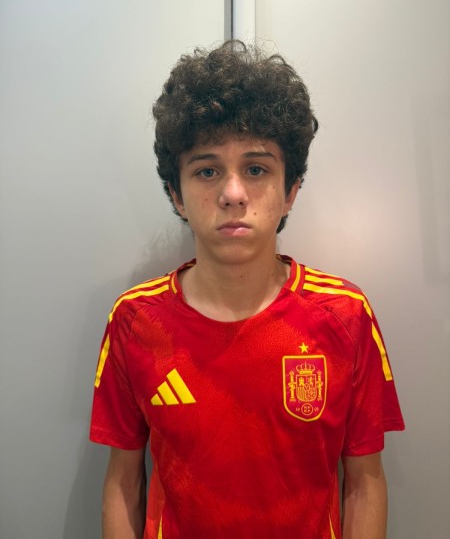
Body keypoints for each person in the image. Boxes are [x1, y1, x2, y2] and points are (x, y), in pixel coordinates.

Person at [90, 40, 404, 539]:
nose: (233, 193)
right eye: (207, 170)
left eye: (256, 169)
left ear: (291, 190)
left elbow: (364, 484)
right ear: (177, 194)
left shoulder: (344, 315)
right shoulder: (135, 320)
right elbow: (123, 482)